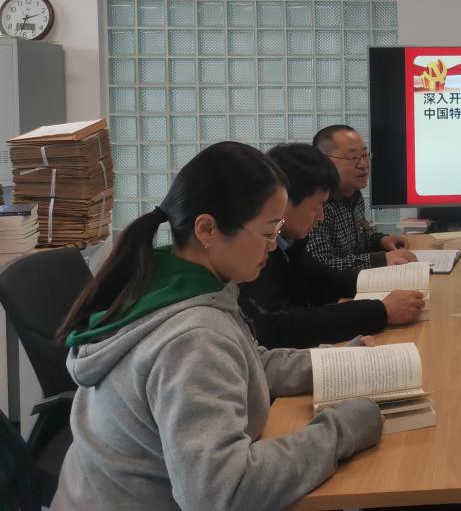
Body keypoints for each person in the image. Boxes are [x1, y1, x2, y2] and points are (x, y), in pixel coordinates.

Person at [52, 142, 382, 511]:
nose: (274, 247)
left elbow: (252, 363)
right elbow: (224, 491)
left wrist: (339, 362)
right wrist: (343, 429)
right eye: (268, 232)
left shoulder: (174, 282)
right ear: (207, 229)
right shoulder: (194, 338)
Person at [238, 143, 426, 349]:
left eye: (365, 155)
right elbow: (282, 326)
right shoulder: (255, 253)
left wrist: (387, 279)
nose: (321, 216)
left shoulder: (290, 241)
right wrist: (381, 311)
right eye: (317, 206)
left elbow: (320, 279)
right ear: (283, 201)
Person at [308, 124, 416, 271]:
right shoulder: (315, 205)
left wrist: (381, 240)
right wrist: (382, 259)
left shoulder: (355, 195)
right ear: (324, 162)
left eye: (365, 155)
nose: (364, 164)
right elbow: (320, 265)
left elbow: (360, 239)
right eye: (353, 157)